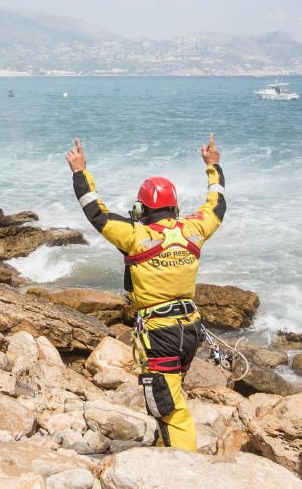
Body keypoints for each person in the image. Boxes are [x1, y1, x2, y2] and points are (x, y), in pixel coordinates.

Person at [66, 133, 225, 451]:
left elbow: (95, 211)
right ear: (174, 207)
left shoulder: (135, 235)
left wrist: (80, 171)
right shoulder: (193, 229)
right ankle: (173, 451)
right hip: (190, 328)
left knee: (169, 411)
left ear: (142, 209)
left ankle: (183, 469)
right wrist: (213, 167)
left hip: (160, 333)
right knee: (173, 394)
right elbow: (217, 203)